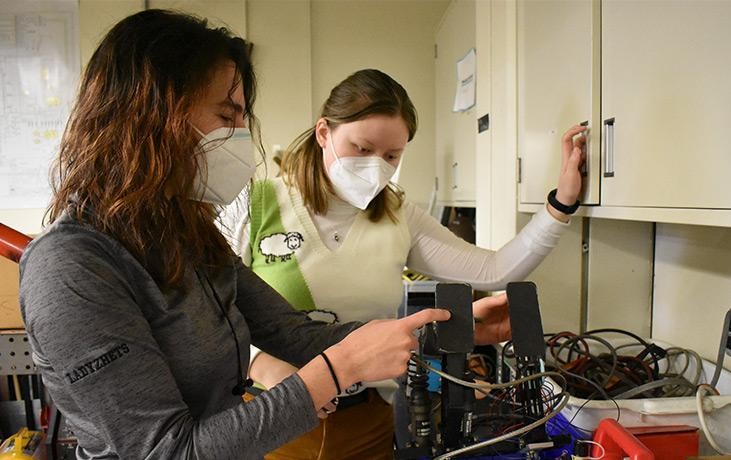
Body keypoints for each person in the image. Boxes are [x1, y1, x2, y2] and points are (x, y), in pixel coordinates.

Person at [17, 10, 510, 459]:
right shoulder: (70, 268)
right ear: (148, 114)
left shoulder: (187, 239)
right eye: (226, 115)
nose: (238, 138)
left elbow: (293, 333)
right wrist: (337, 372)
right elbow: (167, 451)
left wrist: (435, 333)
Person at [225, 69, 587, 459]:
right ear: (323, 132)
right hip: (269, 415)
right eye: (362, 149)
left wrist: (560, 205)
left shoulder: (398, 215)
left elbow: (496, 269)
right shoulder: (254, 205)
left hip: (365, 419)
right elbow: (205, 311)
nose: (376, 166)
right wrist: (262, 365)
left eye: (391, 156)